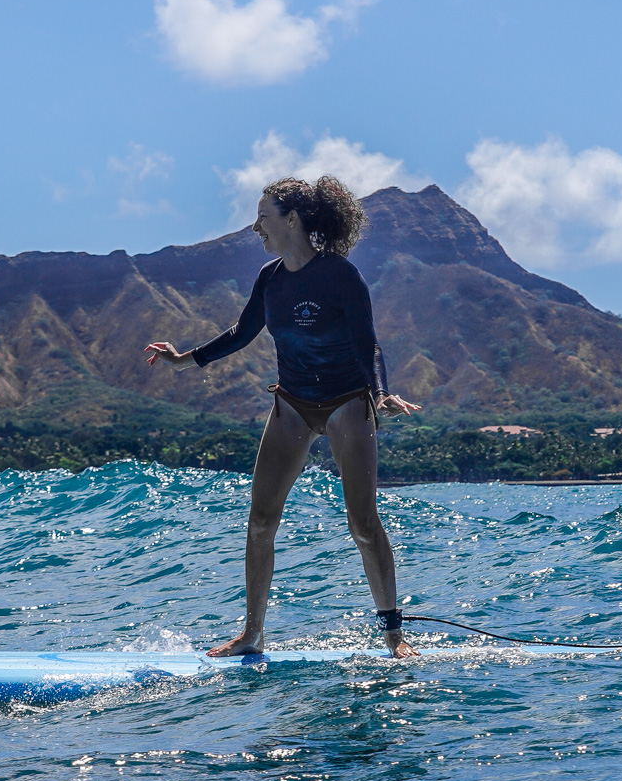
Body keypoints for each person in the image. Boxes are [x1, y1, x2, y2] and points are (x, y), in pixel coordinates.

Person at [145, 175, 423, 658]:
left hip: (346, 403)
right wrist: (181, 360)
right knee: (260, 521)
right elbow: (241, 332)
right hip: (292, 404)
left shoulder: (340, 275)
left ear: (291, 220)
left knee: (362, 522)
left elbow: (367, 342)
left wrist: (380, 394)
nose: (256, 226)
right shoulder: (270, 278)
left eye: (264, 217)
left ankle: (394, 635)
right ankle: (252, 633)